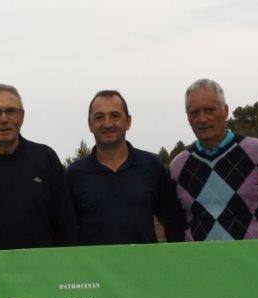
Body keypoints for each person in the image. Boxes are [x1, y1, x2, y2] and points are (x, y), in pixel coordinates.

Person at [169, 79, 258, 241]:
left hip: (257, 263)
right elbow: (175, 225)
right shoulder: (177, 167)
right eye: (194, 112)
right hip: (202, 264)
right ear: (188, 118)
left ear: (225, 111)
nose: (202, 119)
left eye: (209, 110)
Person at [0, 84, 76, 250]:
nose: (4, 119)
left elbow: (65, 224)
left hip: (43, 269)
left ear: (22, 116)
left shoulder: (46, 159)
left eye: (11, 111)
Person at [66, 90, 184, 244]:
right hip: (91, 268)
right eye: (99, 117)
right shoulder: (74, 174)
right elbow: (67, 229)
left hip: (145, 266)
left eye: (115, 116)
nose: (107, 123)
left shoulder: (152, 166)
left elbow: (170, 220)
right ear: (90, 124)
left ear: (128, 122)